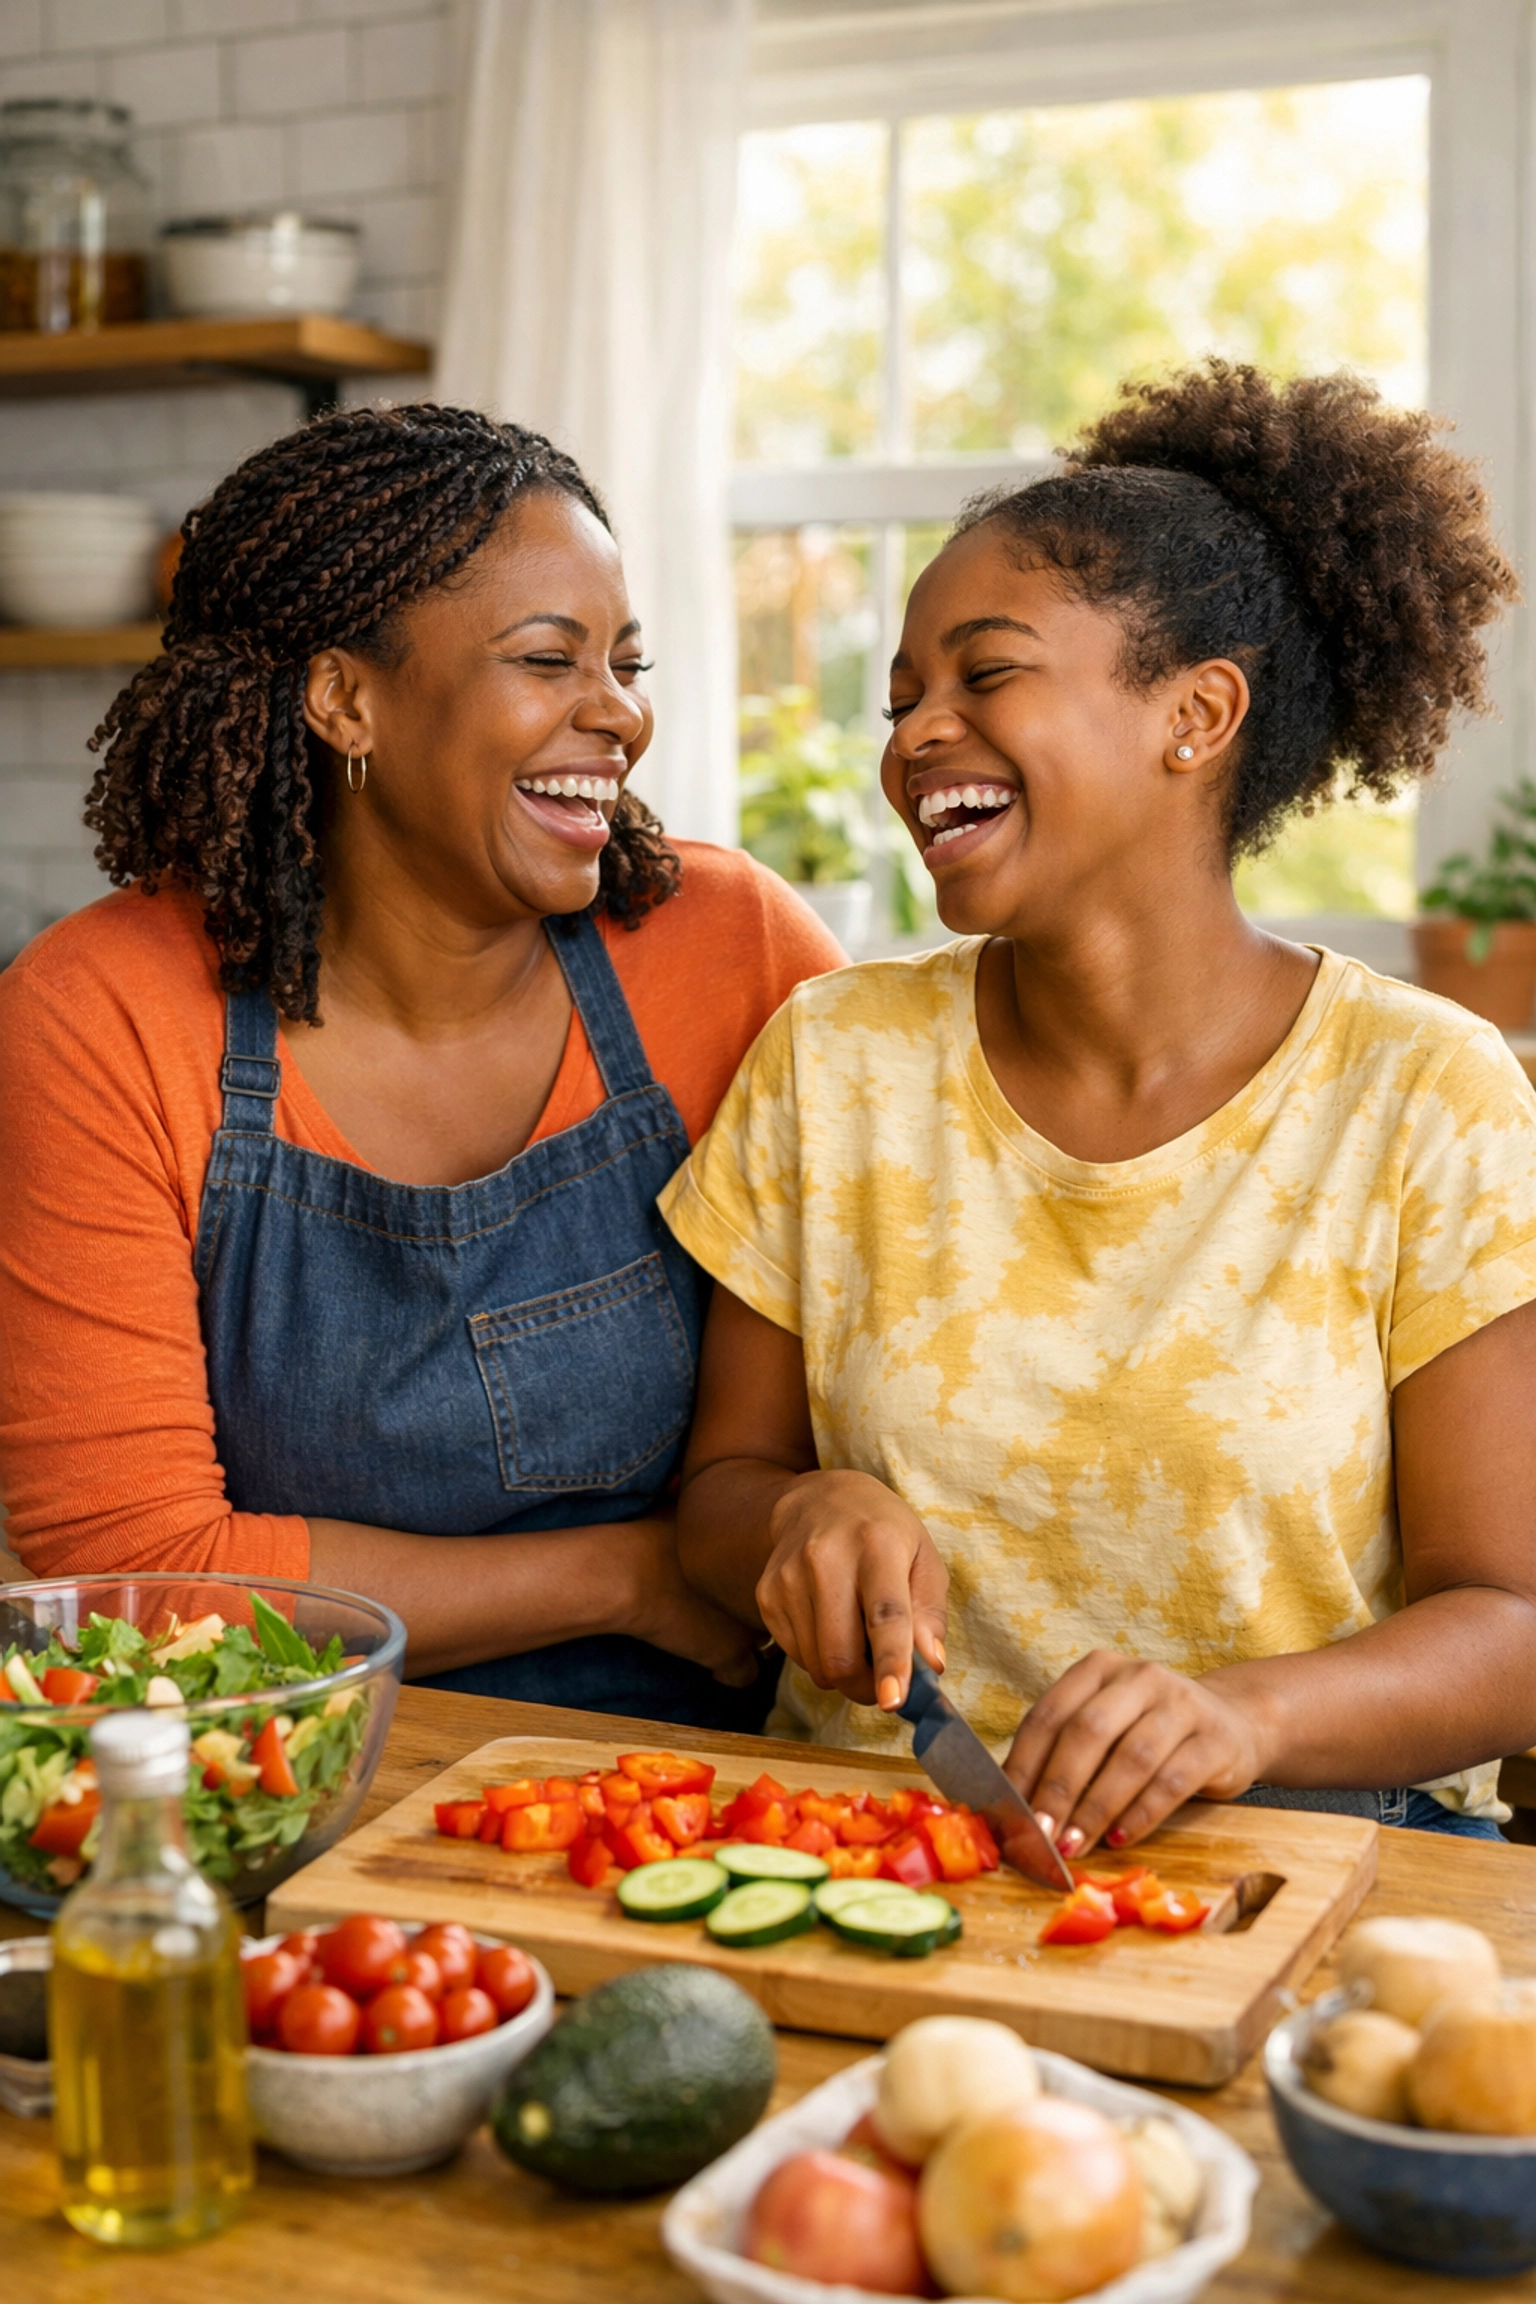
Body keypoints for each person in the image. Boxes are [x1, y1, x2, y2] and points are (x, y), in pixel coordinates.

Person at [666, 360, 1536, 1840]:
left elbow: (1512, 1625)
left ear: (1196, 715)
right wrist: (797, 1515)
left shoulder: (1424, 1093)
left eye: (985, 674)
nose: (914, 736)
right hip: (884, 1849)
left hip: (1312, 1850)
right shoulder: (837, 1060)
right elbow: (719, 1495)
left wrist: (1238, 1716)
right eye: (901, 700)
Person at [0, 402, 844, 1727]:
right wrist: (629, 1573)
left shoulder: (731, 949)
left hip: (707, 1780)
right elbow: (137, 1578)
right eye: (546, 659)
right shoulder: (104, 1011)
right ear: (347, 699)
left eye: (627, 662)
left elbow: (917, 1359)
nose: (618, 712)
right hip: (298, 1781)